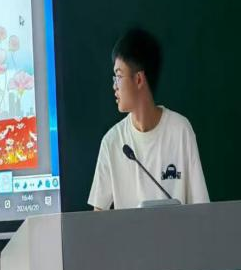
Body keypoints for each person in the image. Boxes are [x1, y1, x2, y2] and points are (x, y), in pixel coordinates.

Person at [88, 29, 209, 210]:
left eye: (119, 77)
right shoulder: (112, 142)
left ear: (138, 79)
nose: (114, 86)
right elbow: (97, 216)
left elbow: (202, 209)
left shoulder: (180, 130)